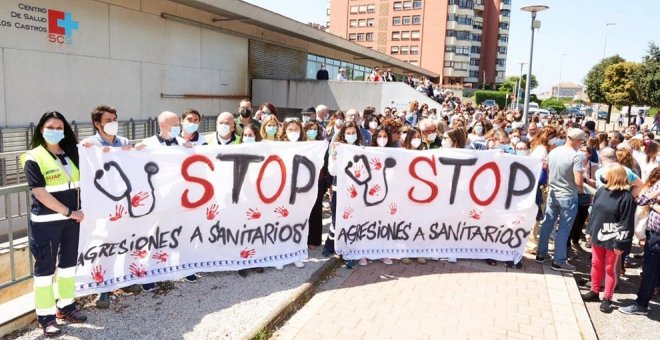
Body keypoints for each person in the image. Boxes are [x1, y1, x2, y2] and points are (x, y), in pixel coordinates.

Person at [21, 111, 87, 336]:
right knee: (45, 270)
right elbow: (39, 193)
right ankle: (46, 316)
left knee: (68, 266)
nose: (55, 131)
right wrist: (70, 212)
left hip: (71, 222)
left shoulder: (71, 153)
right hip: (46, 223)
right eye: (51, 126)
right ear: (41, 129)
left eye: (60, 127)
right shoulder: (33, 156)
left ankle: (66, 305)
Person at [81, 105, 141, 308]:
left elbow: (135, 164)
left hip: (123, 204)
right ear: (97, 124)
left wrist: (131, 152)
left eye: (114, 119)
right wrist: (94, 154)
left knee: (125, 242)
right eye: (108, 120)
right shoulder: (88, 144)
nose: (113, 123)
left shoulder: (123, 142)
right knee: (104, 247)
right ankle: (103, 289)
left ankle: (124, 280)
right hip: (102, 207)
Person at [138, 112, 197, 288]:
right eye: (174, 123)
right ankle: (149, 276)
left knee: (182, 233)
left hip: (179, 199)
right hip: (157, 200)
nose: (178, 126)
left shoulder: (182, 144)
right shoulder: (147, 145)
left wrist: (190, 150)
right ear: (163, 124)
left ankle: (186, 268)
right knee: (154, 237)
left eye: (178, 123)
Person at [581, 164, 635, 313]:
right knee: (595, 264)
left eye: (606, 173)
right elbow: (595, 213)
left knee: (609, 268)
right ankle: (594, 290)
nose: (603, 176)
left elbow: (626, 223)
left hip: (613, 239)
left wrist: (620, 244)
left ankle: (607, 298)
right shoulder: (602, 191)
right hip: (597, 235)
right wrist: (589, 231)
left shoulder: (627, 198)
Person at [536, 128, 587, 272]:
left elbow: (548, 170)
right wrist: (582, 191)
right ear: (576, 140)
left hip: (553, 192)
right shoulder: (575, 156)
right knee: (564, 229)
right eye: (581, 140)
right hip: (568, 195)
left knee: (547, 224)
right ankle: (559, 261)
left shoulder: (554, 151)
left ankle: (541, 254)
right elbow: (578, 181)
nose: (581, 143)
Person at [620, 167, 660, 315]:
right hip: (654, 234)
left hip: (657, 236)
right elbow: (642, 200)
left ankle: (641, 304)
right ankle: (643, 302)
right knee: (652, 271)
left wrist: (655, 206)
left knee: (650, 272)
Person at [324, 121, 364, 269]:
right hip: (339, 189)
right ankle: (330, 245)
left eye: (354, 133)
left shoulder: (361, 149)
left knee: (352, 221)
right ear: (343, 134)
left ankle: (350, 253)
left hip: (355, 192)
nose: (351, 136)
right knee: (336, 219)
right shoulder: (336, 148)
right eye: (348, 133)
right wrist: (334, 155)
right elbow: (332, 171)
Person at [369, 126, 395, 265]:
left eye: (385, 136)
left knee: (384, 224)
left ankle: (384, 252)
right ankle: (365, 252)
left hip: (388, 194)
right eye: (379, 136)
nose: (382, 139)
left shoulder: (394, 153)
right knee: (370, 222)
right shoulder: (368, 151)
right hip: (371, 193)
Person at [304, 119, 329, 250]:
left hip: (317, 180)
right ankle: (302, 238)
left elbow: (325, 163)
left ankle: (314, 239)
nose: (312, 132)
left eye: (315, 129)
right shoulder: (300, 144)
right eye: (309, 129)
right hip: (302, 181)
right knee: (303, 210)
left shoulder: (321, 145)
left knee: (315, 210)